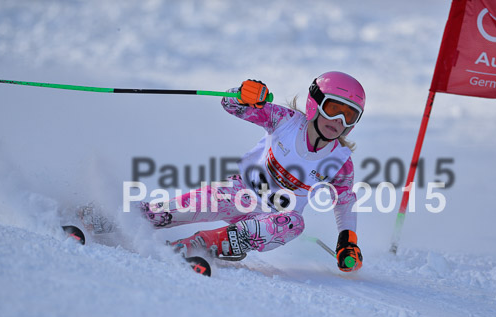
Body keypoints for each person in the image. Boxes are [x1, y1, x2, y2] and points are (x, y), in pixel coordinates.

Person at [140, 71, 365, 272]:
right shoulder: (284, 121)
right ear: (314, 104)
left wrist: (347, 242)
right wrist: (243, 94)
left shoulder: (340, 161)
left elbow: (344, 202)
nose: (339, 120)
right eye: (333, 109)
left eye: (349, 115)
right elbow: (230, 105)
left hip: (270, 220)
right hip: (239, 193)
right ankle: (128, 216)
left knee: (294, 223)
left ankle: (200, 245)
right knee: (163, 213)